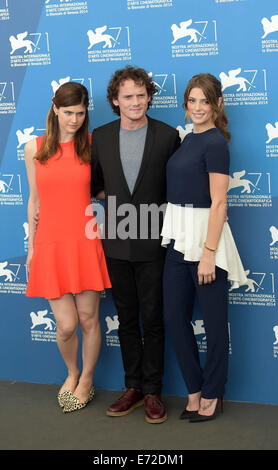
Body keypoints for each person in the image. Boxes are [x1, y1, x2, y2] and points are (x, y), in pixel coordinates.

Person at [91, 66, 180, 423]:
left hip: (155, 245)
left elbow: (175, 190)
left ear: (149, 96)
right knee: (126, 318)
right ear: (115, 100)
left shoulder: (168, 136)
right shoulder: (100, 136)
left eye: (141, 95)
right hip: (115, 244)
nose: (136, 102)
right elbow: (95, 186)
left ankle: (154, 391)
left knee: (152, 319)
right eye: (128, 96)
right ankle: (133, 387)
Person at [161, 73, 247, 422]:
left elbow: (219, 204)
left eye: (205, 101)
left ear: (217, 104)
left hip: (206, 243)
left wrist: (209, 253)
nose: (197, 107)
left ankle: (213, 394)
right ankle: (194, 390)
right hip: (177, 242)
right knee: (173, 319)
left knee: (213, 324)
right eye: (192, 100)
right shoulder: (185, 140)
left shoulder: (215, 143)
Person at [25, 82, 111, 413]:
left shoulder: (92, 147)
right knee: (66, 325)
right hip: (50, 244)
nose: (74, 120)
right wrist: (32, 246)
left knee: (89, 318)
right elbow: (34, 201)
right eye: (68, 113)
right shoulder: (35, 149)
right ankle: (71, 372)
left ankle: (86, 379)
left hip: (85, 242)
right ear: (55, 109)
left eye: (80, 113)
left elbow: (106, 191)